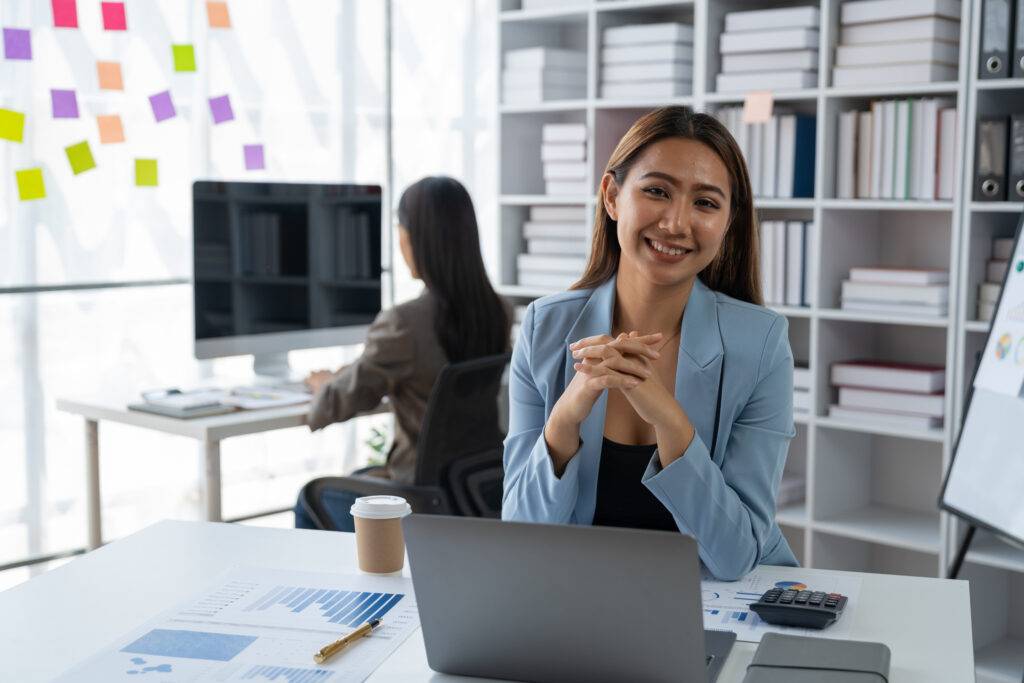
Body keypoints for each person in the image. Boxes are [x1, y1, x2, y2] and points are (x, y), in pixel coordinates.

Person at [501, 106, 798, 581]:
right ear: (612, 196)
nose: (676, 223)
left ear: (727, 223)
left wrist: (669, 420)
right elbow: (519, 539)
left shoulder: (760, 344)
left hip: (717, 609)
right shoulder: (544, 329)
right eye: (657, 191)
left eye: (705, 203)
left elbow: (736, 556)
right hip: (585, 603)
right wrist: (566, 415)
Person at [295, 175, 510, 530]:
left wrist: (323, 385)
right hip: (475, 489)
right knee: (361, 475)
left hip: (419, 496)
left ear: (416, 239)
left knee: (310, 496)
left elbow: (338, 402)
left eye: (400, 229)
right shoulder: (497, 311)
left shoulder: (405, 323)